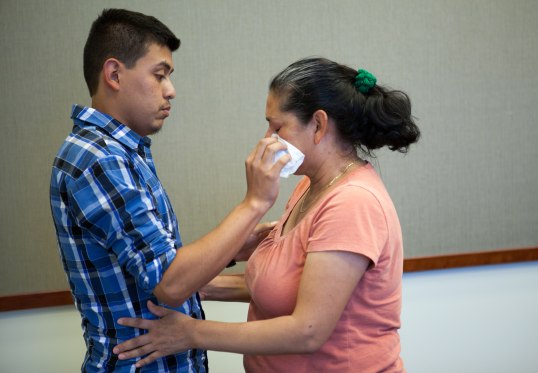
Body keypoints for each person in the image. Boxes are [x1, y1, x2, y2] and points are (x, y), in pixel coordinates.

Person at [113, 56, 421, 372]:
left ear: (318, 124)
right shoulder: (311, 186)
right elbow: (281, 288)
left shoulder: (353, 202)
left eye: (277, 126)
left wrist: (191, 332)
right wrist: (193, 285)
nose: (267, 139)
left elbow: (308, 332)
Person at [49, 8, 288, 372]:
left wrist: (231, 250)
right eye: (159, 76)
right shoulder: (100, 160)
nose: (171, 91)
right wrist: (254, 202)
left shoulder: (121, 152)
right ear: (114, 74)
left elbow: (149, 262)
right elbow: (168, 283)